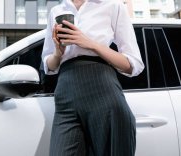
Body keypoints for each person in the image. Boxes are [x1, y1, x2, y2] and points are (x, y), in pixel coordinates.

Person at [41, 0, 145, 155]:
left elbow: (133, 64)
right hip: (65, 92)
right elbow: (49, 66)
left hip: (102, 88)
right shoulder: (57, 10)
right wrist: (58, 52)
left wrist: (90, 43)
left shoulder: (113, 6)